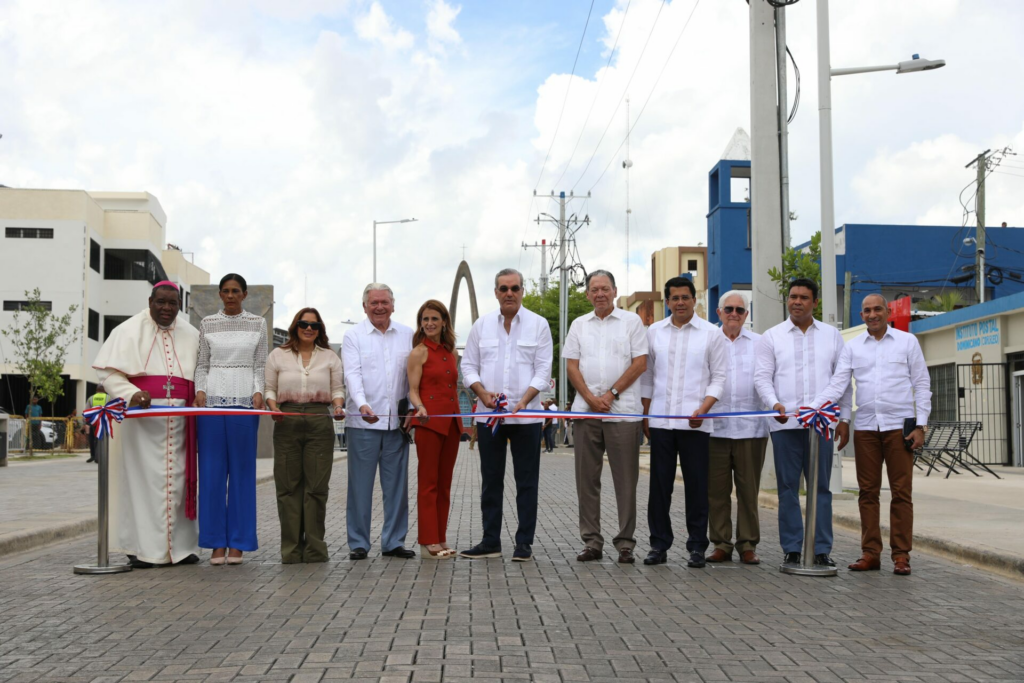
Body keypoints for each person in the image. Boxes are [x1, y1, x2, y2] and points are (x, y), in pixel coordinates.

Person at [810, 294, 930, 576]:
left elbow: (922, 385)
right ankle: (870, 553)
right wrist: (813, 408)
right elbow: (839, 385)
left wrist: (921, 426)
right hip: (865, 427)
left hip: (900, 428)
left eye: (878, 309)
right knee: (868, 493)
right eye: (867, 311)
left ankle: (901, 556)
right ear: (861, 315)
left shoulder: (907, 342)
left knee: (901, 493)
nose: (872, 314)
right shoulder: (852, 348)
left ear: (887, 312)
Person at [92, 281, 201, 568]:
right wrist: (131, 394)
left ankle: (181, 547)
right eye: (161, 302)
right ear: (150, 301)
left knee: (178, 481)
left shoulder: (191, 333)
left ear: (180, 305)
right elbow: (110, 375)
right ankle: (142, 549)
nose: (167, 309)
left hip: (180, 421)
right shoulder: (127, 330)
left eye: (173, 304)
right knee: (141, 483)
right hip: (142, 421)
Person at [754, 278, 852, 568]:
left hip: (821, 425)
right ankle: (793, 548)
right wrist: (774, 404)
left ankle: (821, 549)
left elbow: (842, 380)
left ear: (815, 302)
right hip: (785, 424)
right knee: (787, 488)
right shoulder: (771, 337)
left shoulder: (832, 336)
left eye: (804, 297)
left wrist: (843, 418)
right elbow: (762, 377)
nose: (797, 302)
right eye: (793, 296)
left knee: (820, 488)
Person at [460, 268, 553, 562]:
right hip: (490, 418)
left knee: (527, 483)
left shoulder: (538, 325)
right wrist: (481, 392)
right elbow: (468, 366)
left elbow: (543, 370)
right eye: (503, 288)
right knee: (491, 481)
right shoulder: (481, 326)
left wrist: (525, 399)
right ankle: (490, 541)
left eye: (514, 288)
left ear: (522, 291)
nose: (509, 293)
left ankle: (523, 543)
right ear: (496, 293)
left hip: (527, 417)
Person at [641, 276, 727, 568]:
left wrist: (703, 409)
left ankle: (696, 547)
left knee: (696, 486)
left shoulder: (711, 334)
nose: (680, 303)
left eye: (685, 297)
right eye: (674, 298)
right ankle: (658, 545)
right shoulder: (653, 333)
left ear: (695, 300)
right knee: (659, 488)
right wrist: (646, 412)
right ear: (667, 302)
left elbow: (719, 378)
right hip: (662, 422)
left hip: (696, 423)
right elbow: (647, 376)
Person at [564, 270, 648, 564]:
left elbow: (640, 363)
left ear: (615, 291)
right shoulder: (578, 325)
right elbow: (572, 366)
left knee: (625, 481)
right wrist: (589, 398)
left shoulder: (631, 322)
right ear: (587, 294)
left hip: (623, 413)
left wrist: (610, 394)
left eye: (605, 289)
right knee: (586, 480)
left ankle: (625, 543)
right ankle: (592, 541)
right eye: (594, 289)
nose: (599, 294)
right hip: (586, 413)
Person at [193, 273, 268, 566]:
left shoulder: (257, 323)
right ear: (220, 295)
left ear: (245, 295)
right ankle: (215, 544)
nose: (231, 295)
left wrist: (259, 391)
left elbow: (260, 364)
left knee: (242, 475)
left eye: (236, 291)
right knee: (211, 475)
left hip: (244, 405)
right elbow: (202, 364)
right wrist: (200, 390)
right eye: (225, 291)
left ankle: (238, 543)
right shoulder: (207, 323)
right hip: (211, 405)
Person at [341, 283, 416, 560]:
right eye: (374, 303)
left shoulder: (408, 335)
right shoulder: (353, 336)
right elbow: (352, 375)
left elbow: (412, 378)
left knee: (397, 487)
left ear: (393, 305)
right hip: (363, 424)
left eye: (384, 302)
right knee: (359, 487)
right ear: (364, 306)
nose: (380, 307)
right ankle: (358, 542)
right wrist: (362, 405)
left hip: (397, 425)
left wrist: (411, 408)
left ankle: (394, 541)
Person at [265, 308, 345, 563]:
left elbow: (337, 389)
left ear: (320, 329)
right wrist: (273, 406)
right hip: (286, 420)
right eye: (303, 324)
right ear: (294, 326)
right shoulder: (277, 355)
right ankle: (290, 550)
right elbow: (269, 388)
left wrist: (339, 406)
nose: (308, 329)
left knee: (317, 488)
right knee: (288, 488)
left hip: (319, 420)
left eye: (314, 325)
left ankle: (314, 549)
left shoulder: (330, 357)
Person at [706, 292, 768, 565]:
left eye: (740, 310)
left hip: (751, 429)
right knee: (716, 492)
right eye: (728, 309)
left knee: (748, 491)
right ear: (718, 313)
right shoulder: (708, 340)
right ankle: (720, 543)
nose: (734, 314)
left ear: (746, 314)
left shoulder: (761, 343)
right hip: (714, 428)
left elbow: (768, 379)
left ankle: (747, 545)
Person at [406, 299, 462, 559]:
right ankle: (428, 540)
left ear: (444, 323)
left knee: (445, 484)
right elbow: (413, 390)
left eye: (433, 319)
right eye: (424, 319)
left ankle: (441, 537)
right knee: (428, 484)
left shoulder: (451, 353)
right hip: (428, 423)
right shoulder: (419, 351)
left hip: (451, 423)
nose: (428, 323)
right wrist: (419, 407)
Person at [84, 386, 108, 463]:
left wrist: (85, 422)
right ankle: (99, 456)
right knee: (102, 439)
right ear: (104, 390)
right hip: (104, 420)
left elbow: (87, 410)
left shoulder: (91, 398)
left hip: (93, 421)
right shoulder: (108, 397)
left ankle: (93, 456)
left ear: (96, 390)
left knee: (92, 439)